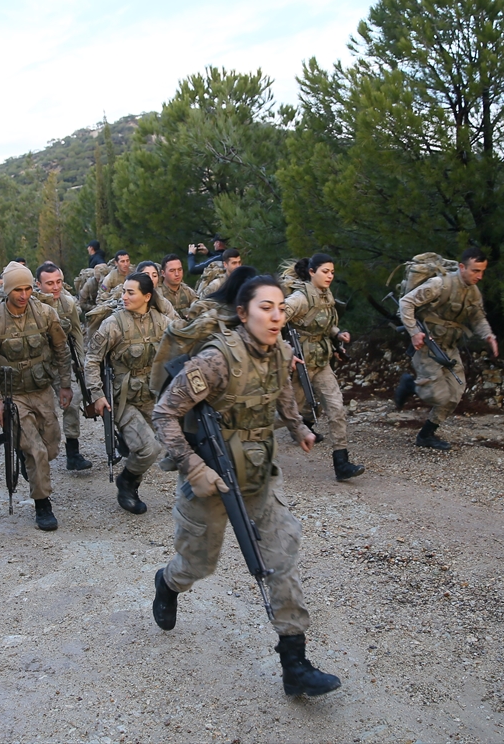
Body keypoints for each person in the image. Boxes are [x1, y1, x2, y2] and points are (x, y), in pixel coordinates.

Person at [150, 275, 341, 697]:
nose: (275, 316)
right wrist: (194, 468)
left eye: (279, 308)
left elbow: (282, 393)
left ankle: (295, 664)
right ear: (242, 313)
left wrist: (298, 428)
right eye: (265, 308)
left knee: (279, 560)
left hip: (257, 474)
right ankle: (167, 582)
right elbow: (164, 414)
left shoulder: (281, 351)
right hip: (211, 479)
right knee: (198, 564)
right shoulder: (216, 360)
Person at [0, 262, 73, 531]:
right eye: (18, 289)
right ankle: (43, 504)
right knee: (37, 451)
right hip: (13, 395)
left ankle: (25, 452)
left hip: (41, 389)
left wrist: (64, 384)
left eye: (28, 288)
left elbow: (61, 350)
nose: (24, 294)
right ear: (7, 290)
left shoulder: (46, 314)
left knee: (51, 446)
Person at [395, 247, 497, 450]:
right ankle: (410, 385)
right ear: (462, 267)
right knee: (437, 395)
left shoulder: (473, 292)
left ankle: (426, 435)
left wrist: (488, 334)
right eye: (475, 270)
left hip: (449, 348)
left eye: (482, 271)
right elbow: (406, 302)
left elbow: (477, 317)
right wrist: (415, 332)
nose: (480, 276)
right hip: (426, 345)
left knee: (455, 394)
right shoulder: (439, 284)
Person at [85, 273, 169, 513]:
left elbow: (182, 341)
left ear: (147, 296)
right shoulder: (114, 323)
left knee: (165, 442)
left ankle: (133, 479)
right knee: (149, 448)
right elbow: (92, 360)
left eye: (130, 292)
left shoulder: (161, 322)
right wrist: (97, 395)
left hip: (151, 396)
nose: (124, 297)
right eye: (123, 291)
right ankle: (127, 484)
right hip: (122, 399)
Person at [284, 254, 364, 480]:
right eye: (325, 272)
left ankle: (342, 463)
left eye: (332, 272)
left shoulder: (326, 295)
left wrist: (338, 334)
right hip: (300, 366)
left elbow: (324, 324)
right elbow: (274, 319)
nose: (330, 276)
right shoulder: (299, 298)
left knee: (337, 408)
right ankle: (244, 442)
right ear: (311, 272)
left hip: (320, 362)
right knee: (287, 414)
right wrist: (285, 351)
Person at [35, 262, 93, 472]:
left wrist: (81, 362)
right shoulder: (31, 306)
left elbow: (77, 333)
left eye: (59, 282)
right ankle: (33, 452)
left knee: (73, 400)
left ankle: (73, 452)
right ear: (38, 284)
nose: (56, 287)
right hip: (37, 366)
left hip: (62, 362)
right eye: (49, 283)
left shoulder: (68, 304)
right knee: (41, 410)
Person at [158, 254, 198, 320]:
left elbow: (197, 305)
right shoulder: (157, 293)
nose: (177, 274)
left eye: (179, 269)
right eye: (172, 271)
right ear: (163, 273)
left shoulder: (188, 291)